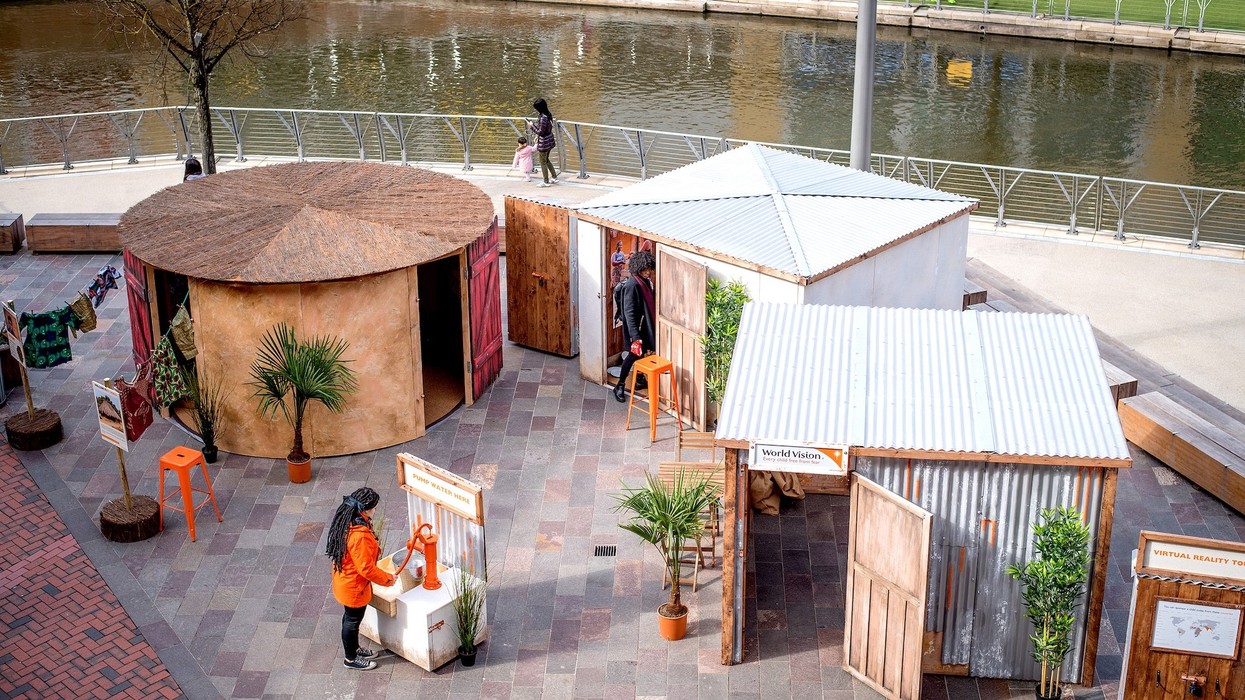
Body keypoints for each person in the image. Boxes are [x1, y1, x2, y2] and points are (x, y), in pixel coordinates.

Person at [326, 487, 395, 671]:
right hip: (354, 587)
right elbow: (366, 569)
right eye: (373, 508)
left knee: (350, 619)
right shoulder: (359, 536)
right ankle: (350, 659)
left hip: (346, 580)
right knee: (352, 621)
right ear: (365, 509)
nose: (375, 511)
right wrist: (389, 579)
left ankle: (355, 649)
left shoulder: (349, 521)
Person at [614, 249, 656, 402]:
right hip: (636, 330)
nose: (648, 272)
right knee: (633, 356)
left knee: (641, 354)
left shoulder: (643, 282)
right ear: (638, 268)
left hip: (644, 326)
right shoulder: (632, 285)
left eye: (649, 269)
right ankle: (619, 385)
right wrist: (636, 338)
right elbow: (629, 312)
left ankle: (638, 380)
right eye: (645, 269)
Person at [530, 98, 558, 187]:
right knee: (546, 160)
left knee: (542, 162)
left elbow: (540, 132)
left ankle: (546, 181)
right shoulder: (548, 114)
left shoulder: (543, 118)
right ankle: (554, 177)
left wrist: (532, 126)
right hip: (550, 141)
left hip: (544, 143)